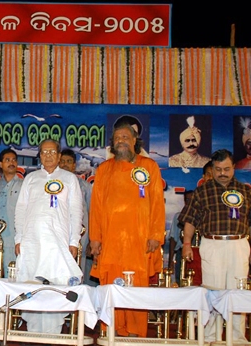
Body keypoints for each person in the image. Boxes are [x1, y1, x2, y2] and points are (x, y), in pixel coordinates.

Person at [90, 121, 165, 337]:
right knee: (111, 286)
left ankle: (135, 333)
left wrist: (155, 235)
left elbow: (157, 204)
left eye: (125, 137)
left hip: (139, 242)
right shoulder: (104, 169)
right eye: (117, 138)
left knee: (136, 288)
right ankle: (111, 331)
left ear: (134, 141)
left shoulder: (149, 166)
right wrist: (95, 238)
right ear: (112, 144)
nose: (121, 141)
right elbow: (96, 207)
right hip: (111, 242)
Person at [180, 149, 251, 342]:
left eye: (227, 169)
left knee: (238, 292)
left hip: (239, 244)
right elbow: (190, 221)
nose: (222, 173)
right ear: (212, 168)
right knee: (213, 292)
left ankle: (237, 338)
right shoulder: (202, 192)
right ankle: (210, 337)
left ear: (234, 168)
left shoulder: (246, 191)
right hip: (212, 244)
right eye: (218, 169)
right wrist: (187, 244)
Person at [15, 139, 83, 333]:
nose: (48, 155)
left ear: (59, 156)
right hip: (32, 243)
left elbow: (76, 212)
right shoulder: (31, 178)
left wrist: (73, 241)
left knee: (55, 288)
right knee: (33, 288)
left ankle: (53, 335)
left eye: (52, 152)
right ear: (40, 156)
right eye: (44, 152)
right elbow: (21, 210)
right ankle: (34, 335)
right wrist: (19, 238)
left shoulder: (69, 179)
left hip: (58, 244)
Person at [59, 148, 96, 286]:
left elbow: (92, 213)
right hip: (58, 234)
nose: (65, 165)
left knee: (78, 269)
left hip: (81, 236)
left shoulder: (85, 186)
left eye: (68, 162)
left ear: (74, 165)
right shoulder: (53, 185)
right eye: (62, 161)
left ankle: (78, 303)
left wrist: (92, 239)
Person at [0, 148, 23, 276]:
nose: (11, 163)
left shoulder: (24, 186)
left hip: (15, 239)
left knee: (12, 276)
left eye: (14, 160)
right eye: (7, 160)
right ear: (1, 164)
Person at [167, 190, 193, 285]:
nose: (189, 202)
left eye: (192, 200)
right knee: (180, 281)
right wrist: (170, 262)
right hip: (181, 252)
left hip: (196, 254)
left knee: (195, 281)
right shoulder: (178, 217)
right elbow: (173, 239)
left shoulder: (201, 216)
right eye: (187, 199)